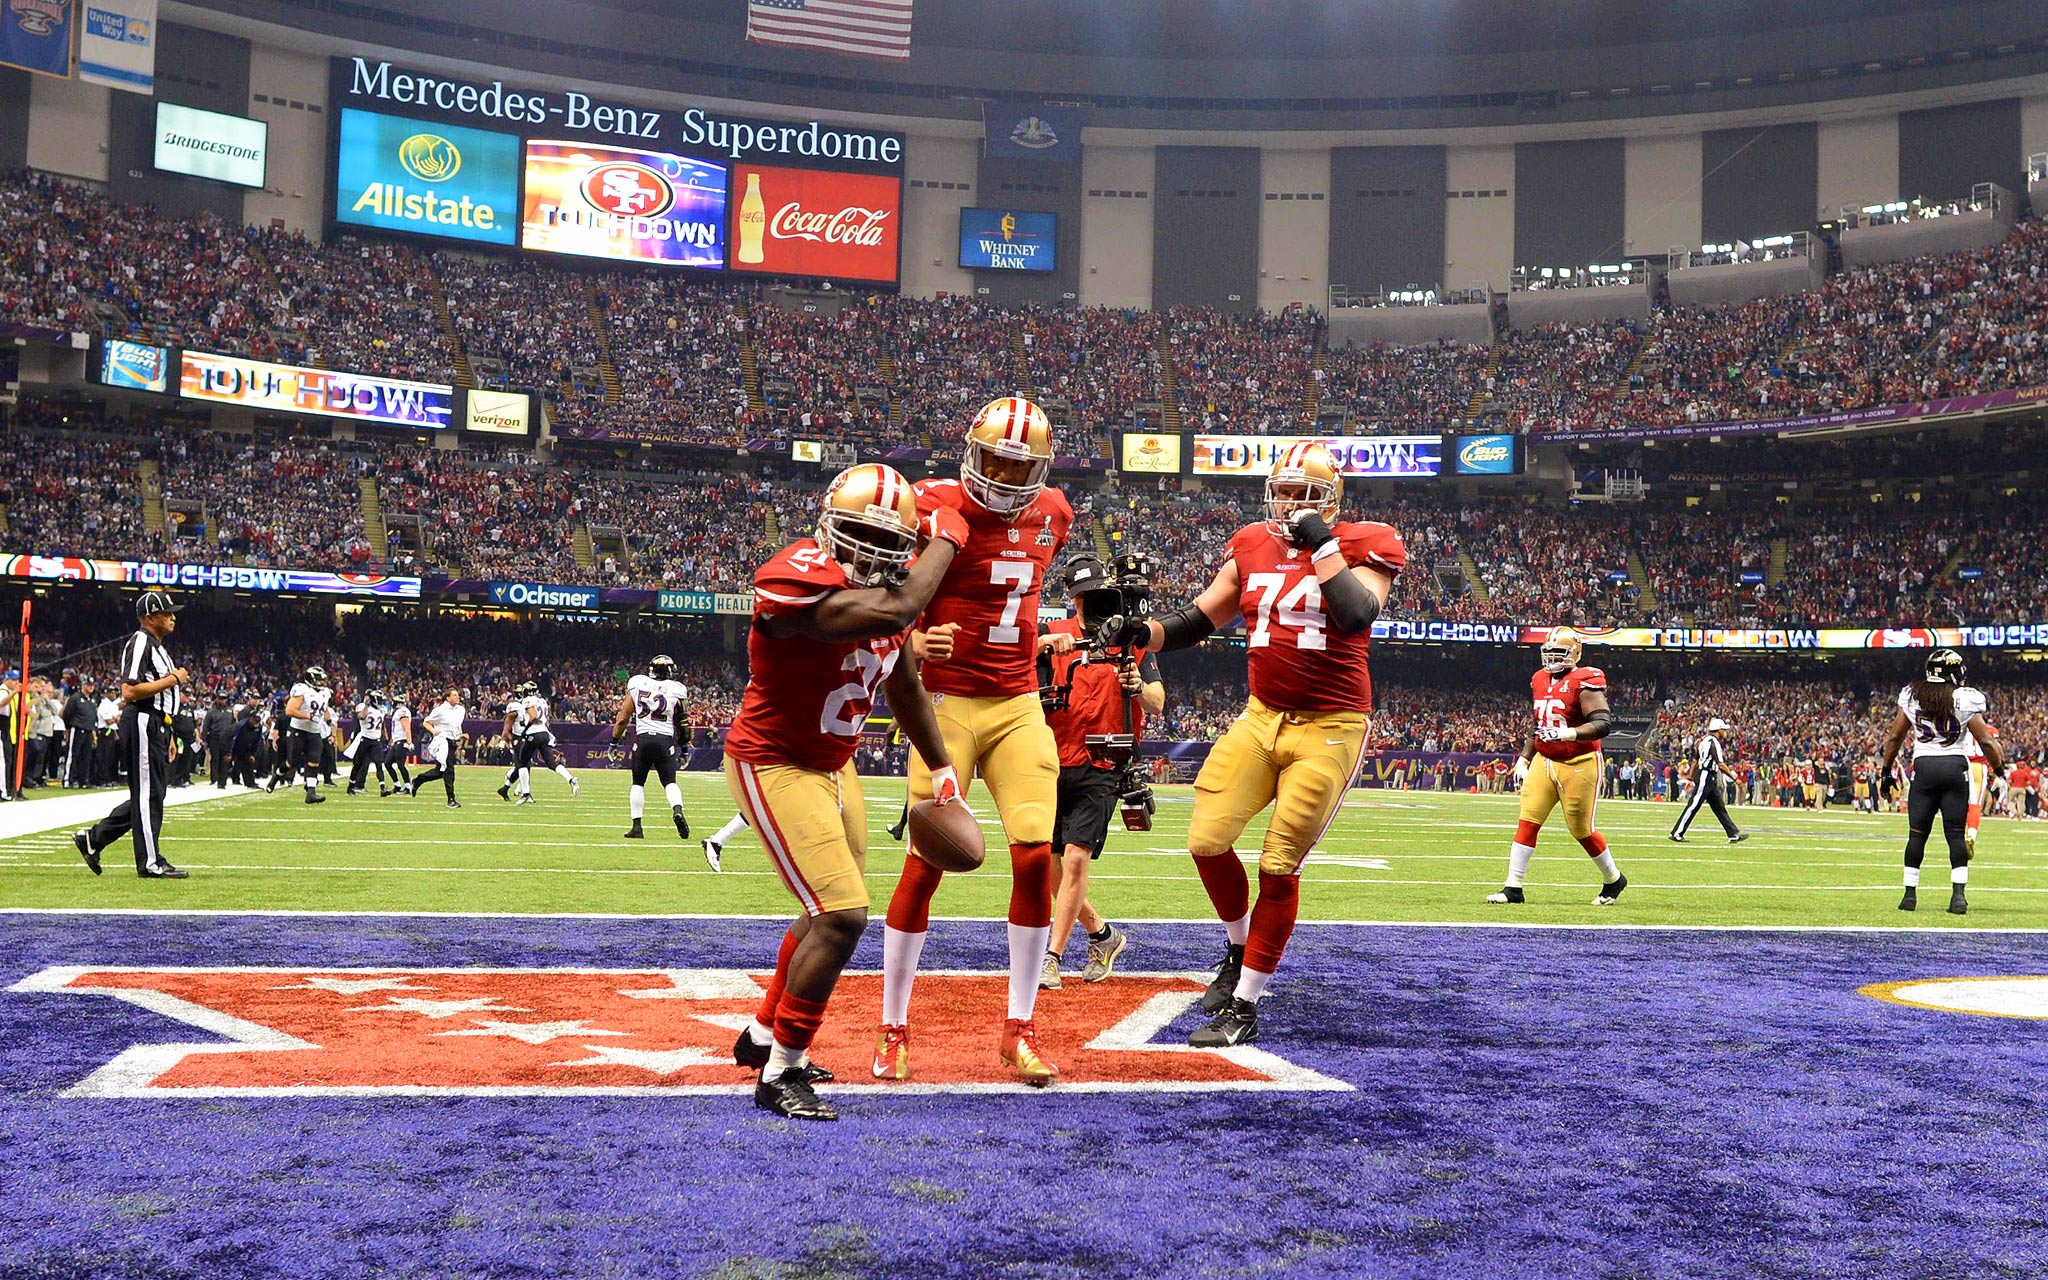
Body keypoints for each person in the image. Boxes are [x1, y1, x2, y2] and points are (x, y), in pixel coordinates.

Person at [1111, 440, 1403, 1047]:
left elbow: (1354, 613)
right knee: (1207, 839)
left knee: (1277, 864)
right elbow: (1200, 618)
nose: (1291, 503)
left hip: (1331, 723)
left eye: (1305, 493)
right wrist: (1148, 632)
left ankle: (1244, 1002)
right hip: (1260, 715)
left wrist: (1321, 542)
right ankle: (1238, 949)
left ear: (1331, 498)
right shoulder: (1249, 542)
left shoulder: (1367, 540)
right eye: (1284, 491)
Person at [725, 463, 962, 1120]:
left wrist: (942, 769)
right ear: (828, 527)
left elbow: (906, 685)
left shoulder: (887, 597)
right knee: (843, 913)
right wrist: (948, 535)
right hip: (771, 761)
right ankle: (782, 1074)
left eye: (884, 540)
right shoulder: (797, 574)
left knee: (824, 906)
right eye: (856, 532)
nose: (867, 551)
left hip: (835, 764)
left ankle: (763, 1036)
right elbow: (899, 606)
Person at [875, 397, 1072, 1085]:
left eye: (1019, 464)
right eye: (992, 458)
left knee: (1033, 857)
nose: (1003, 473)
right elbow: (888, 595)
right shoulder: (929, 503)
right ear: (970, 452)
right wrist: (912, 639)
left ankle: (1018, 1030)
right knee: (924, 863)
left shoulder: (1054, 511)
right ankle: (892, 1026)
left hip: (1018, 701)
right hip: (947, 705)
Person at [1037, 555, 1162, 989]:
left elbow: (1157, 702)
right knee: (1049, 866)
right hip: (1052, 759)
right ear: (1074, 599)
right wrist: (1045, 648)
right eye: (1087, 597)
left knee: (1074, 860)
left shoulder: (1130, 642)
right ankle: (1102, 935)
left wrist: (1137, 687)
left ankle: (1051, 957)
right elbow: (1021, 669)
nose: (1095, 605)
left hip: (1102, 762)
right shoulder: (1052, 636)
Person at [1485, 627, 1627, 906]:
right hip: (1545, 760)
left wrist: (1568, 733)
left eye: (1559, 653)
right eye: (1548, 652)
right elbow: (1537, 724)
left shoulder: (1585, 680)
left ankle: (1613, 878)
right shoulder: (1539, 679)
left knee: (1581, 829)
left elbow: (1603, 724)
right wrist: (1525, 759)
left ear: (1574, 653)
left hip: (1580, 762)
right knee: (1528, 820)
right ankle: (1513, 887)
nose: (1552, 658)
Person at [73, 591, 191, 879]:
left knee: (150, 795)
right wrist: (174, 679)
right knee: (148, 795)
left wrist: (169, 729)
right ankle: (150, 862)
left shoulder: (158, 647)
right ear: (150, 617)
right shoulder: (140, 642)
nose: (173, 617)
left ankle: (94, 838)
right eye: (167, 613)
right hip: (142, 721)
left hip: (156, 724)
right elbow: (129, 690)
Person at [1878, 649, 2002, 915]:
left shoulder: (1913, 695)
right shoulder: (1965, 699)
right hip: (1955, 767)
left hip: (1924, 767)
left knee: (1917, 835)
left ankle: (1909, 895)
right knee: (1955, 835)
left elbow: (1894, 738)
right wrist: (2000, 770)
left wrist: (1886, 771)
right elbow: (1987, 742)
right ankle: (1958, 897)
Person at [613, 656, 689, 843]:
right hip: (665, 740)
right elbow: (683, 722)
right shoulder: (676, 689)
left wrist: (614, 742)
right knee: (670, 782)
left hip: (643, 739)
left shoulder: (638, 683)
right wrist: (685, 748)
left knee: (638, 783)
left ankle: (637, 827)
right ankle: (677, 811)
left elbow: (623, 717)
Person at [498, 681, 578, 804]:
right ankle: (571, 779)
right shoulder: (542, 701)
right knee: (551, 763)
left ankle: (525, 794)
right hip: (544, 733)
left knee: (522, 763)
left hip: (532, 734)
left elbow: (534, 716)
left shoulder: (527, 701)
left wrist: (526, 729)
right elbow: (546, 720)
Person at [1668, 718, 1747, 843]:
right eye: (1723, 729)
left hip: (1708, 776)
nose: (1725, 732)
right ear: (1718, 730)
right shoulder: (1714, 742)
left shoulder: (1703, 741)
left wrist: (1691, 776)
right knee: (1694, 805)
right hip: (1706, 775)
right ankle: (1677, 832)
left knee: (1719, 807)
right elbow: (1720, 764)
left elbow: (1695, 760)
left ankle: (1732, 834)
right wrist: (1734, 778)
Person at [282, 667, 335, 805]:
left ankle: (311, 792)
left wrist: (329, 723)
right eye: (318, 679)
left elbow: (324, 709)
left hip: (315, 731)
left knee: (314, 761)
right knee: (293, 761)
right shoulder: (301, 689)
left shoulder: (325, 693)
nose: (322, 682)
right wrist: (308, 716)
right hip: (299, 729)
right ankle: (277, 776)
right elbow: (289, 710)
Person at [408, 687, 467, 807]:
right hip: (442, 741)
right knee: (449, 770)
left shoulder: (461, 710)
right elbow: (426, 722)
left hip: (452, 741)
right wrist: (434, 732)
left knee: (440, 771)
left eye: (458, 695)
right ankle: (451, 799)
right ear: (448, 697)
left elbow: (457, 725)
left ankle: (418, 780)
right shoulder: (440, 710)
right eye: (454, 695)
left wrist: (461, 735)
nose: (458, 697)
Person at [346, 690, 390, 796]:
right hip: (365, 739)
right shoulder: (363, 707)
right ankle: (351, 786)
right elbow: (361, 716)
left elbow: (382, 723)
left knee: (379, 764)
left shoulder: (382, 709)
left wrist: (385, 735)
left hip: (376, 741)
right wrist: (366, 705)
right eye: (379, 699)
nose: (381, 702)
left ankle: (383, 788)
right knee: (358, 764)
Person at [383, 691, 414, 797]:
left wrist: (409, 742)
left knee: (401, 765)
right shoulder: (399, 712)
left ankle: (408, 786)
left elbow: (406, 727)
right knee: (387, 763)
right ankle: (397, 785)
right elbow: (396, 729)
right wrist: (392, 741)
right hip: (397, 741)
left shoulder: (403, 711)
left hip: (402, 741)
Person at [203, 697, 236, 789]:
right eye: (221, 699)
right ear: (217, 699)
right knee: (215, 758)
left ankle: (222, 781)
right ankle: (214, 779)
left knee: (225, 760)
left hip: (227, 738)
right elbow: (206, 725)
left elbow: (233, 724)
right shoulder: (211, 711)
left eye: (224, 699)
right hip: (215, 737)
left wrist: (233, 735)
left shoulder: (230, 710)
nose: (223, 701)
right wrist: (205, 739)